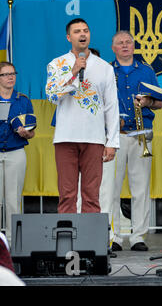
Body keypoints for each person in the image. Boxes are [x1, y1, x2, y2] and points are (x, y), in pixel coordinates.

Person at [45, 18, 120, 214]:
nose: (82, 34)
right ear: (69, 37)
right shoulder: (57, 64)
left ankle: (91, 243)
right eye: (77, 31)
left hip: (94, 138)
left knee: (92, 195)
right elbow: (52, 95)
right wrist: (73, 72)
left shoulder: (105, 67)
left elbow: (111, 106)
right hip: (65, 137)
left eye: (85, 30)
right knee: (67, 194)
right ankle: (66, 243)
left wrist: (111, 141)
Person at [107, 30, 162, 252]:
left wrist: (149, 101)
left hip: (142, 134)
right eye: (120, 42)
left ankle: (138, 236)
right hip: (115, 137)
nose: (124, 45)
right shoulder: (106, 71)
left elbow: (159, 103)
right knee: (112, 188)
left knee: (140, 188)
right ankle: (114, 235)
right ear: (113, 48)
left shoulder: (147, 70)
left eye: (128, 42)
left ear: (134, 46)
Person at [0, 62, 35, 243]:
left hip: (15, 151)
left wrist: (26, 133)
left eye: (13, 73)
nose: (10, 77)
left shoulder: (23, 100)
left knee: (13, 199)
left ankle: (14, 241)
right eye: (5, 74)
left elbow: (33, 132)